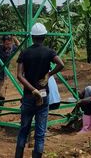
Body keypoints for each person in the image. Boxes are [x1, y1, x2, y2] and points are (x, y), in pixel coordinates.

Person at [15, 22, 64, 158]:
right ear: (44, 37)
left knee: (24, 130)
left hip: (29, 96)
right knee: (40, 133)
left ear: (32, 37)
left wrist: (32, 89)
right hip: (43, 95)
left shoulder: (25, 53)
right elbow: (61, 64)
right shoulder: (49, 52)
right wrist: (49, 74)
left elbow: (19, 75)